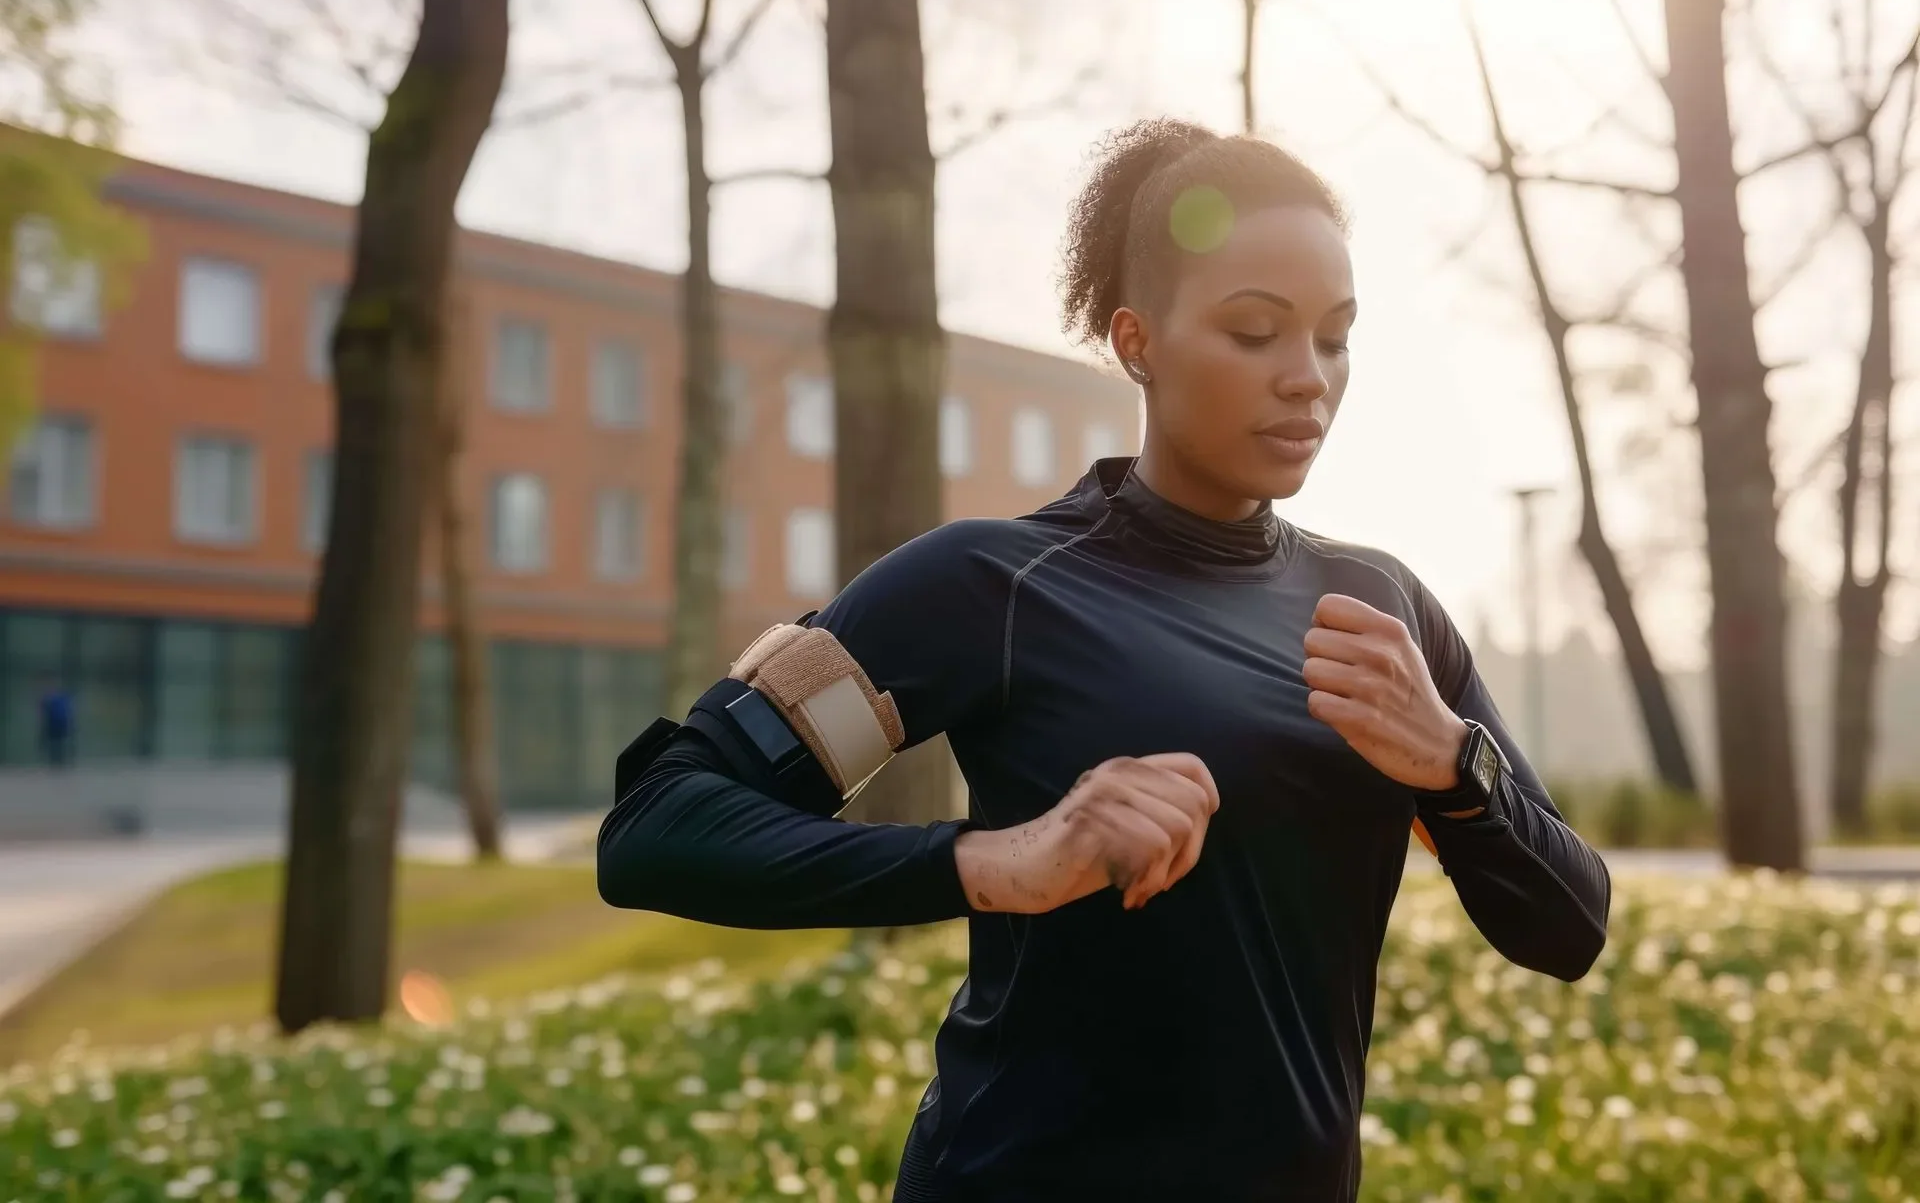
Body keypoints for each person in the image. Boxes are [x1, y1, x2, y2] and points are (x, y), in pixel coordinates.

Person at [597, 118, 1611, 1203]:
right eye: (1257, 331)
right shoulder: (991, 587)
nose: (1308, 378)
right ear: (1138, 342)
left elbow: (1568, 924)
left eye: (1334, 335)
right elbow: (659, 822)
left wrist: (1458, 765)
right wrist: (998, 860)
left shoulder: (1384, 607)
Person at [39, 682, 74, 769]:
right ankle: (60, 761)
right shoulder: (64, 698)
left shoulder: (48, 699)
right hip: (62, 724)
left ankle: (55, 762)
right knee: (59, 744)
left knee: (54, 744)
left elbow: (43, 713)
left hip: (53, 725)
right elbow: (69, 712)